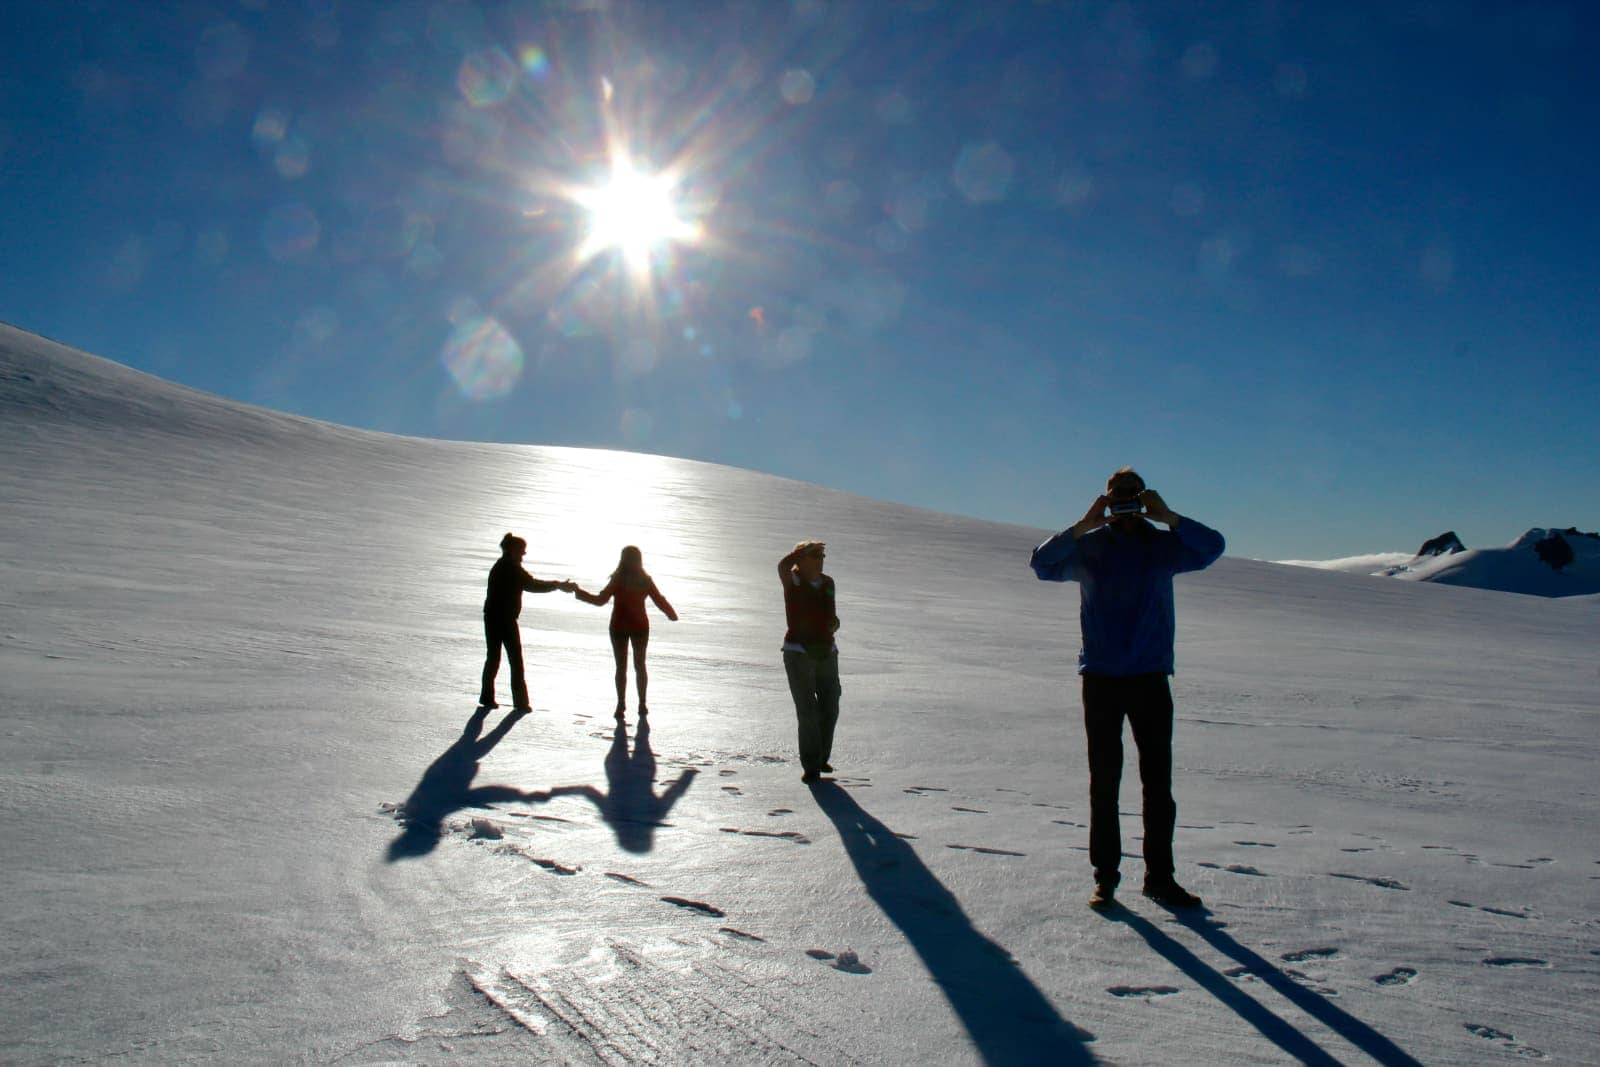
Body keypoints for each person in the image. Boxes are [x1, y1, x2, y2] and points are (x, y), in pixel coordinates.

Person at [1029, 469, 1225, 911]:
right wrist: (1083, 525)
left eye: (1131, 496)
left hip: (1150, 676)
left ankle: (1159, 877)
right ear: (1106, 498)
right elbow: (1041, 565)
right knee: (1105, 782)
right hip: (1100, 678)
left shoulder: (1162, 546)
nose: (1124, 503)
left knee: (1158, 783)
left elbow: (1213, 547)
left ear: (1143, 497)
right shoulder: (1090, 547)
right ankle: (1106, 878)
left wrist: (1170, 517)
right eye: (1117, 495)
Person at [574, 546, 678, 721]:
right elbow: (658, 599)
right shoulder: (644, 580)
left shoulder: (619, 579)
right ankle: (640, 704)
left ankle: (622, 705)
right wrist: (670, 613)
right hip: (637, 627)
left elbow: (600, 600)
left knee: (623, 667)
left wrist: (580, 593)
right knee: (639, 666)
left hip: (620, 627)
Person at [480, 533, 577, 711]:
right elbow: (532, 585)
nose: (523, 555)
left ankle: (488, 698)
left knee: (494, 658)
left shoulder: (503, 565)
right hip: (504, 619)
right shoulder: (511, 568)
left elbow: (531, 584)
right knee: (514, 660)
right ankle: (521, 703)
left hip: (493, 617)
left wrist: (557, 585)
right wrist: (557, 585)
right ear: (512, 550)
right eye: (521, 551)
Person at [778, 541, 841, 784]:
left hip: (826, 651)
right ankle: (811, 766)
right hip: (799, 653)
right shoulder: (793, 581)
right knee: (807, 711)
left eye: (822, 555)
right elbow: (782, 566)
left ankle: (821, 757)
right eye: (815, 555)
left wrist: (834, 623)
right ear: (802, 560)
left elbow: (831, 613)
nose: (820, 559)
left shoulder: (828, 583)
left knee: (830, 705)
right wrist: (797, 553)